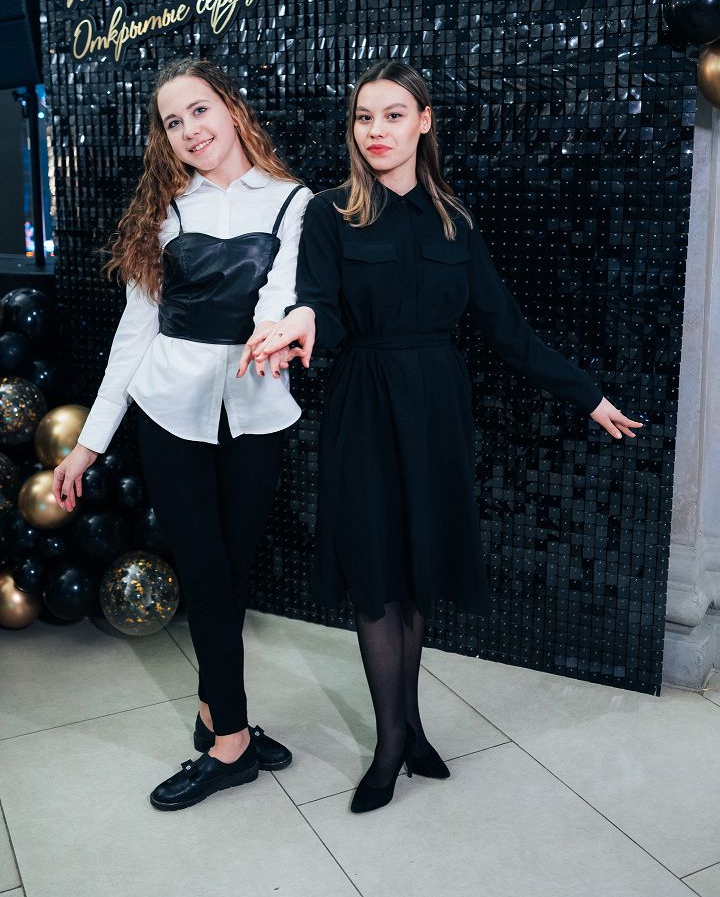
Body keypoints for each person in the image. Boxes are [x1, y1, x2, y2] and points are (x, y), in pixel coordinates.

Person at [248, 59, 643, 814]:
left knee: (417, 566)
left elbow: (506, 328)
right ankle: (391, 745)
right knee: (375, 571)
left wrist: (587, 394)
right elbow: (318, 305)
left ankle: (411, 727)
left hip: (436, 411)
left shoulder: (455, 220)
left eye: (394, 115)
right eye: (365, 117)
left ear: (424, 122)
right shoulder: (329, 213)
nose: (377, 131)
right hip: (364, 404)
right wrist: (299, 323)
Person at [52, 57, 313, 811]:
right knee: (203, 572)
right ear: (164, 138)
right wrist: (88, 445)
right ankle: (231, 744)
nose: (191, 130)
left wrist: (269, 332)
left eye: (199, 110)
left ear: (230, 108)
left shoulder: (294, 202)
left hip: (255, 414)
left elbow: (282, 293)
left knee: (232, 574)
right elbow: (133, 337)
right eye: (174, 122)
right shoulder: (164, 213)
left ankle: (215, 715)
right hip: (170, 415)